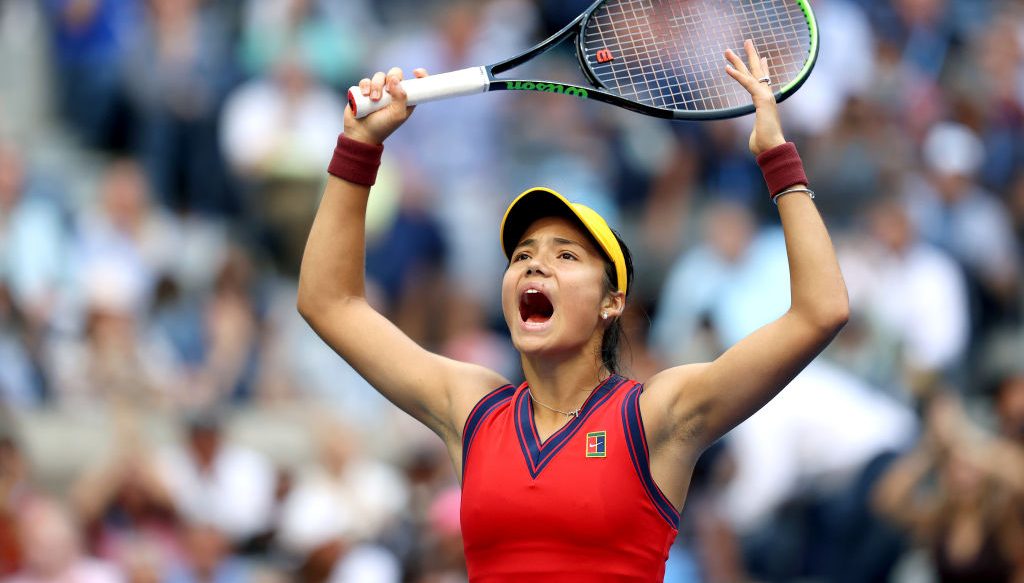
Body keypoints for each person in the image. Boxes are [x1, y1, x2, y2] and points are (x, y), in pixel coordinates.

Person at [297, 40, 849, 581]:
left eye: (565, 255)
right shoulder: (473, 410)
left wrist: (776, 157)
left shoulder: (655, 415)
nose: (535, 266)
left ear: (613, 301)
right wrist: (359, 146)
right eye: (522, 256)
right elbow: (328, 302)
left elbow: (820, 311)